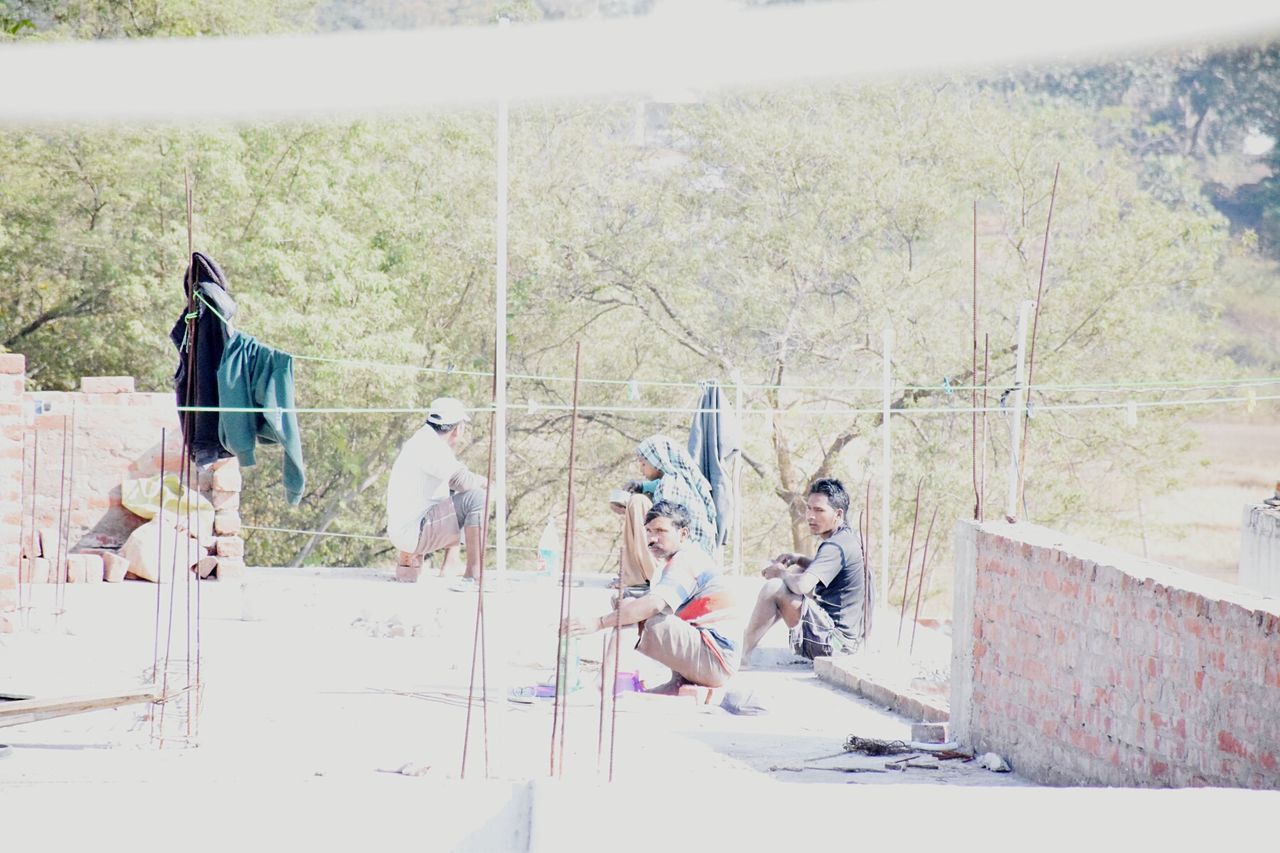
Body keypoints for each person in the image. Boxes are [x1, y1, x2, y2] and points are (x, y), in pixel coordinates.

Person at [565, 501, 738, 692]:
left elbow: (653, 604)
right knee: (630, 607)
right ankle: (675, 684)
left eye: (661, 531)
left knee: (636, 610)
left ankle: (601, 685)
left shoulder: (687, 560)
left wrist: (599, 622)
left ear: (683, 534)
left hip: (715, 659)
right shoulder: (673, 563)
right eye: (648, 531)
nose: (652, 538)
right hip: (711, 658)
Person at [740, 478, 872, 664]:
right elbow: (832, 574)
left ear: (838, 514)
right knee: (790, 581)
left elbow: (803, 585)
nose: (810, 516)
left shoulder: (835, 545)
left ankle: (741, 654)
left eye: (819, 510)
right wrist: (799, 559)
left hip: (836, 645)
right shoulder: (849, 539)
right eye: (809, 508)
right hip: (851, 642)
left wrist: (780, 572)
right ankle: (745, 648)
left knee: (775, 588)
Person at [385, 397, 488, 588]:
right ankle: (475, 575)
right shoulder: (431, 446)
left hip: (404, 530)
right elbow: (462, 481)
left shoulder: (421, 440)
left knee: (452, 495)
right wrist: (487, 483)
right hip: (413, 532)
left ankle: (444, 564)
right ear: (457, 428)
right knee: (478, 498)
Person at [630, 435, 718, 555]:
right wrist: (641, 486)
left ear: (658, 461)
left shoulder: (670, 485)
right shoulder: (679, 479)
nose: (641, 469)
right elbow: (655, 485)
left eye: (643, 464)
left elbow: (661, 525)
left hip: (687, 555)